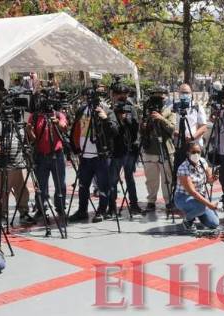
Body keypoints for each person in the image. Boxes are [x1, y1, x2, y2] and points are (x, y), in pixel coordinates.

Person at [67, 95, 118, 223]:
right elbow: (75, 129)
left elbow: (114, 131)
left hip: (101, 155)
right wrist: (74, 147)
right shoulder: (81, 110)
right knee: (83, 186)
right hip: (85, 155)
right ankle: (82, 211)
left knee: (103, 186)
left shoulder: (107, 110)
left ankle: (102, 210)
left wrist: (105, 119)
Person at [26, 103, 68, 220]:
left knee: (60, 184)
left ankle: (60, 208)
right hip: (41, 156)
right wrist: (29, 131)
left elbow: (65, 128)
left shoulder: (58, 114)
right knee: (41, 185)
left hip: (57, 154)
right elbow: (33, 139)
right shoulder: (34, 116)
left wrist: (57, 123)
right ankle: (41, 208)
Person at [0, 113, 31, 225]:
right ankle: (1, 215)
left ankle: (24, 213)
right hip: (2, 164)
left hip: (18, 163)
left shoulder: (19, 120)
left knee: (22, 190)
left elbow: (26, 140)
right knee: (3, 191)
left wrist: (29, 130)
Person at [140, 88, 176, 213]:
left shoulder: (170, 111)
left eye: (161, 96)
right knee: (151, 179)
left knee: (167, 178)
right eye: (156, 96)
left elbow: (172, 129)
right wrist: (144, 125)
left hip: (165, 149)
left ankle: (168, 201)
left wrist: (161, 118)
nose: (159, 99)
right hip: (150, 149)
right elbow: (141, 131)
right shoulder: (147, 111)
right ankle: (151, 201)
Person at [109, 83, 142, 214]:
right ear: (113, 95)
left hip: (130, 149)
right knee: (113, 179)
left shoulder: (131, 108)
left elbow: (136, 128)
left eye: (124, 94)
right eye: (118, 94)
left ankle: (134, 204)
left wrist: (125, 120)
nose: (121, 96)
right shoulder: (110, 109)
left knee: (129, 178)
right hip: (116, 149)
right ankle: (112, 206)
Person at [174, 142, 219, 233]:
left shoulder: (203, 162)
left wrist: (213, 178)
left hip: (199, 197)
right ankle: (187, 219)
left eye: (198, 152)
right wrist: (209, 205)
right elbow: (192, 192)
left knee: (214, 223)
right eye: (193, 152)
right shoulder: (183, 168)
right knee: (203, 206)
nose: (196, 154)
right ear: (188, 153)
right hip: (183, 197)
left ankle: (196, 212)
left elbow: (209, 180)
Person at [173, 84, 209, 165]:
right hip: (179, 145)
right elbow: (170, 124)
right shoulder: (174, 107)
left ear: (191, 93)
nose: (185, 95)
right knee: (179, 169)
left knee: (197, 169)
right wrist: (177, 133)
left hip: (195, 146)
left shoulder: (197, 107)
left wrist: (192, 137)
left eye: (187, 92)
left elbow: (204, 127)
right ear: (179, 93)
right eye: (182, 92)